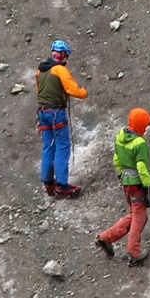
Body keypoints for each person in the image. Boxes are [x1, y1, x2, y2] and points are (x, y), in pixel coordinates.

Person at [94, 105, 150, 266]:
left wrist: (121, 175)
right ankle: (134, 252)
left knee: (134, 215)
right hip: (137, 184)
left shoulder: (120, 136)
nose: (145, 128)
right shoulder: (139, 143)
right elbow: (141, 167)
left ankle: (105, 238)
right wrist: (149, 185)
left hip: (126, 183)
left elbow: (117, 160)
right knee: (140, 218)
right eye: (145, 125)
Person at [34, 40, 86, 198]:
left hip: (43, 113)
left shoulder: (40, 71)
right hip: (56, 112)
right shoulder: (60, 70)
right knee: (62, 146)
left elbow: (39, 91)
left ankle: (48, 183)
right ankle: (62, 184)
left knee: (48, 147)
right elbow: (72, 89)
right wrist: (84, 92)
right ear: (63, 54)